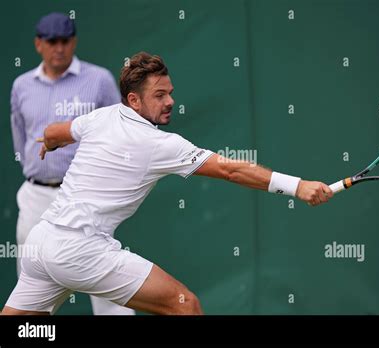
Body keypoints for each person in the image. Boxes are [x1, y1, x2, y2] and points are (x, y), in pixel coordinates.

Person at [2, 52, 333, 315]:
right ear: (134, 100)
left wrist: (49, 142)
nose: (170, 101)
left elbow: (54, 131)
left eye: (170, 93)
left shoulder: (100, 117)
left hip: (41, 244)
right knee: (184, 305)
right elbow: (231, 170)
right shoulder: (161, 144)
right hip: (80, 250)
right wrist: (298, 185)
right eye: (159, 95)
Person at [9, 12, 135, 315]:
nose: (59, 48)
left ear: (74, 41)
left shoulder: (99, 80)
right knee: (32, 281)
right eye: (52, 42)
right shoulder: (21, 86)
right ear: (39, 44)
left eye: (65, 41)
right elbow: (21, 139)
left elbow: (118, 133)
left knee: (104, 274)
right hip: (36, 195)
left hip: (86, 194)